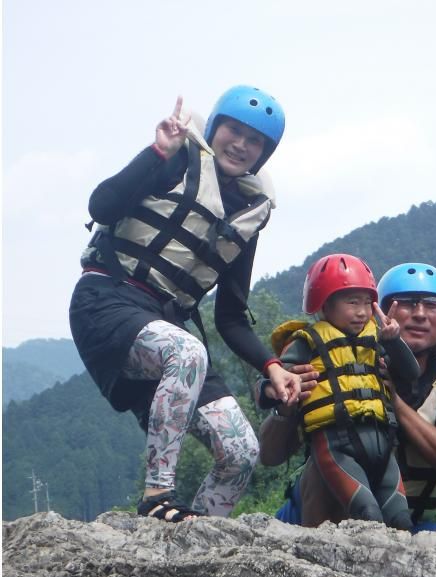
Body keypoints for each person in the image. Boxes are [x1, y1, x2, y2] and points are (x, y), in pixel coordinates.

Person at [69, 86, 301, 523]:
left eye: (255, 141)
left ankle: (192, 539)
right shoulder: (176, 161)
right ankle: (158, 497)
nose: (241, 144)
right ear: (214, 128)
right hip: (105, 303)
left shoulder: (248, 216)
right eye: (234, 130)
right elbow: (102, 205)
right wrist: (158, 150)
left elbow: (230, 318)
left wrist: (272, 366)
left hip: (164, 326)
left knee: (241, 450)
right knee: (186, 350)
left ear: (264, 153)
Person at [257, 262, 436, 541]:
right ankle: (317, 559)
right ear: (380, 311)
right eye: (408, 304)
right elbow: (269, 456)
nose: (420, 314)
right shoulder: (326, 362)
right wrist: (285, 404)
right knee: (322, 465)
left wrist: (394, 403)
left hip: (402, 522)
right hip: (316, 514)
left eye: (432, 305)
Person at [262, 253, 421, 530]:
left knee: (401, 520)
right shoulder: (306, 343)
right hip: (336, 444)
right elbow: (269, 386)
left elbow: (410, 373)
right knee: (367, 513)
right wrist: (273, 390)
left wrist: (394, 342)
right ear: (324, 305)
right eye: (351, 302)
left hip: (383, 443)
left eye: (366, 303)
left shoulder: (377, 340)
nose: (361, 312)